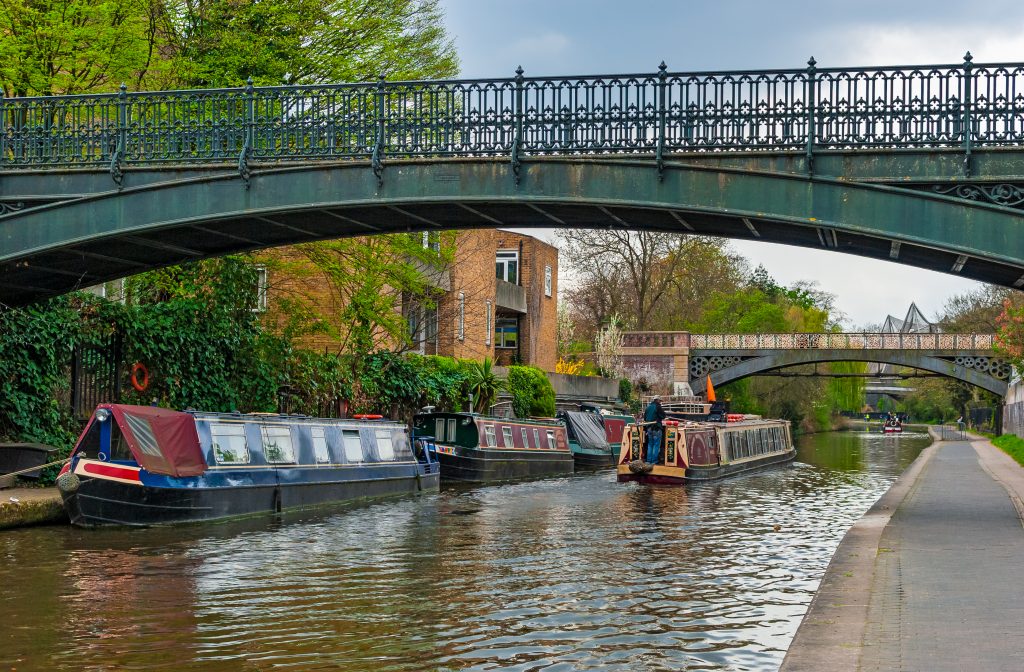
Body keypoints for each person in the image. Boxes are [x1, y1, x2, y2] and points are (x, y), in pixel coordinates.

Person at [644, 396, 667, 465]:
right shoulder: (658, 406)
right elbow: (663, 416)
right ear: (657, 400)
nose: (660, 402)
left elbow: (645, 418)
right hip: (656, 428)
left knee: (650, 444)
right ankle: (654, 461)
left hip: (649, 428)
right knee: (656, 444)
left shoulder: (648, 407)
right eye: (660, 401)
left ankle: (648, 460)